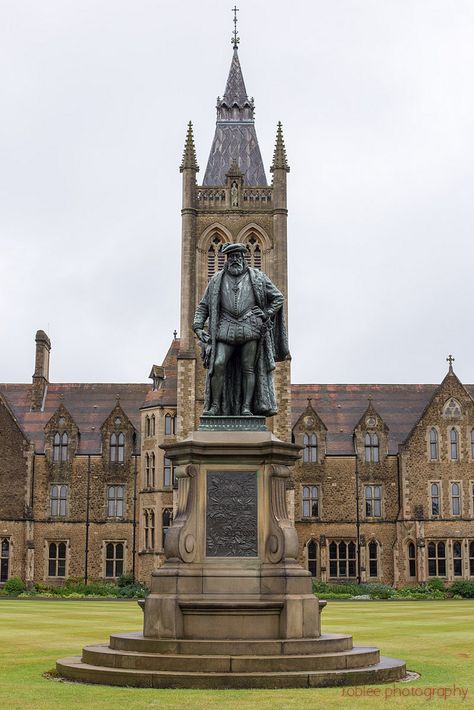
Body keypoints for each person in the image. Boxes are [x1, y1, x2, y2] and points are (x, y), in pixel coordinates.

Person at [193, 243, 289, 417]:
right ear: (226, 259)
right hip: (225, 327)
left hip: (250, 326)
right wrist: (198, 326)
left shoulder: (258, 277)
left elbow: (278, 297)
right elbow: (203, 306)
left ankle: (246, 407)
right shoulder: (216, 280)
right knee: (218, 364)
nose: (235, 259)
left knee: (248, 368)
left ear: (244, 258)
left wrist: (266, 313)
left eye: (238, 256)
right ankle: (214, 406)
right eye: (231, 256)